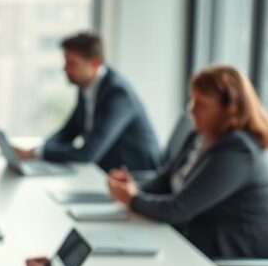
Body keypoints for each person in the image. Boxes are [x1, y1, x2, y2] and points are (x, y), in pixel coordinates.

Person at [107, 65, 268, 260]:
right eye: (192, 100)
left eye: (201, 104)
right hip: (201, 241)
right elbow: (167, 179)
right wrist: (132, 187)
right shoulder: (201, 134)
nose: (191, 110)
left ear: (229, 110)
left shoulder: (238, 151)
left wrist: (132, 199)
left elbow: (178, 210)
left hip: (237, 256)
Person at [12, 32, 160, 172]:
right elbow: (68, 132)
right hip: (105, 171)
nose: (65, 69)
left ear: (94, 63)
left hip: (134, 177)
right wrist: (38, 150)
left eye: (72, 63)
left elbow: (89, 152)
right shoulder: (86, 87)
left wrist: (39, 153)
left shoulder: (118, 95)